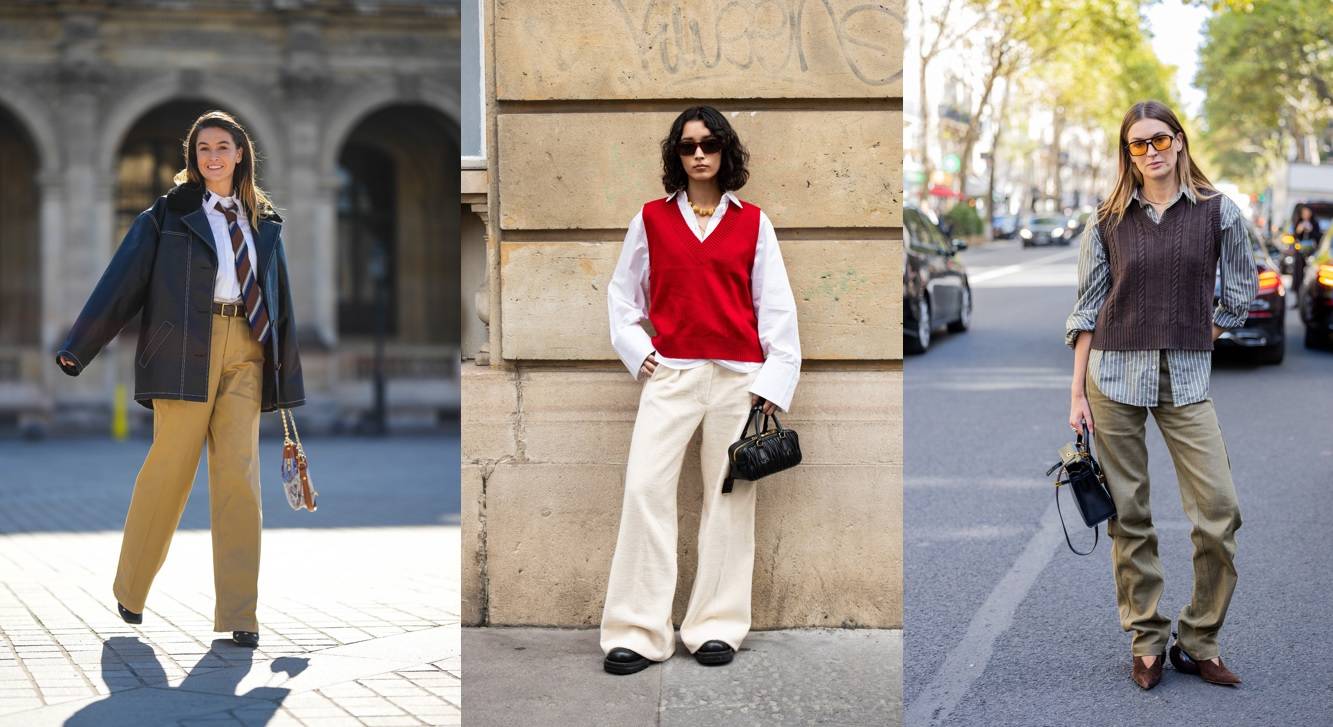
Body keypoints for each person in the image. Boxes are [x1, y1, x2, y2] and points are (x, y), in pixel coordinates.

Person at [56, 110, 304, 648]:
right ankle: (132, 588)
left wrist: (284, 372)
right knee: (169, 470)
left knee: (239, 478)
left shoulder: (264, 221)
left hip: (247, 349)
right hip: (182, 351)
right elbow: (121, 282)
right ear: (193, 159)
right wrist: (80, 347)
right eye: (203, 149)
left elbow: (280, 302)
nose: (213, 157)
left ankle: (241, 614)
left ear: (241, 154)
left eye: (222, 147)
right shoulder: (167, 216)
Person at [600, 105, 801, 675]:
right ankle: (638, 631)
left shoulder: (754, 223)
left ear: (725, 151)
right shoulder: (651, 220)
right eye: (687, 146)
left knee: (729, 501)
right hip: (674, 375)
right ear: (676, 155)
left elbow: (777, 308)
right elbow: (622, 300)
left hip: (739, 380)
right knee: (644, 490)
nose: (699, 155)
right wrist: (643, 358)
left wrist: (774, 382)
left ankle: (716, 626)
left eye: (709, 144)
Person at [1065, 100, 1257, 691]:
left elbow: (1241, 291)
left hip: (1187, 380)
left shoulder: (1219, 213)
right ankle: (1146, 640)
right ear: (1128, 153)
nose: (1150, 152)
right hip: (1113, 377)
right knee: (1130, 517)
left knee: (1219, 514)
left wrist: (1202, 334)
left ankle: (1198, 639)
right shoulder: (1106, 221)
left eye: (1159, 140)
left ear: (1179, 141)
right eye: (1137, 144)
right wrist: (1077, 395)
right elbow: (1087, 310)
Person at [1291, 204, 1322, 305]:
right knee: (1298, 275)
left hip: (1311, 253)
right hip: (1300, 253)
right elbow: (1294, 237)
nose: (1306, 214)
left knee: (1310, 276)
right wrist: (1299, 230)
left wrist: (1311, 230)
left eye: (1307, 212)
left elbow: (1318, 237)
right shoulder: (1298, 222)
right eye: (1304, 212)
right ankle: (1298, 300)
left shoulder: (1315, 223)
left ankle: (1309, 300)